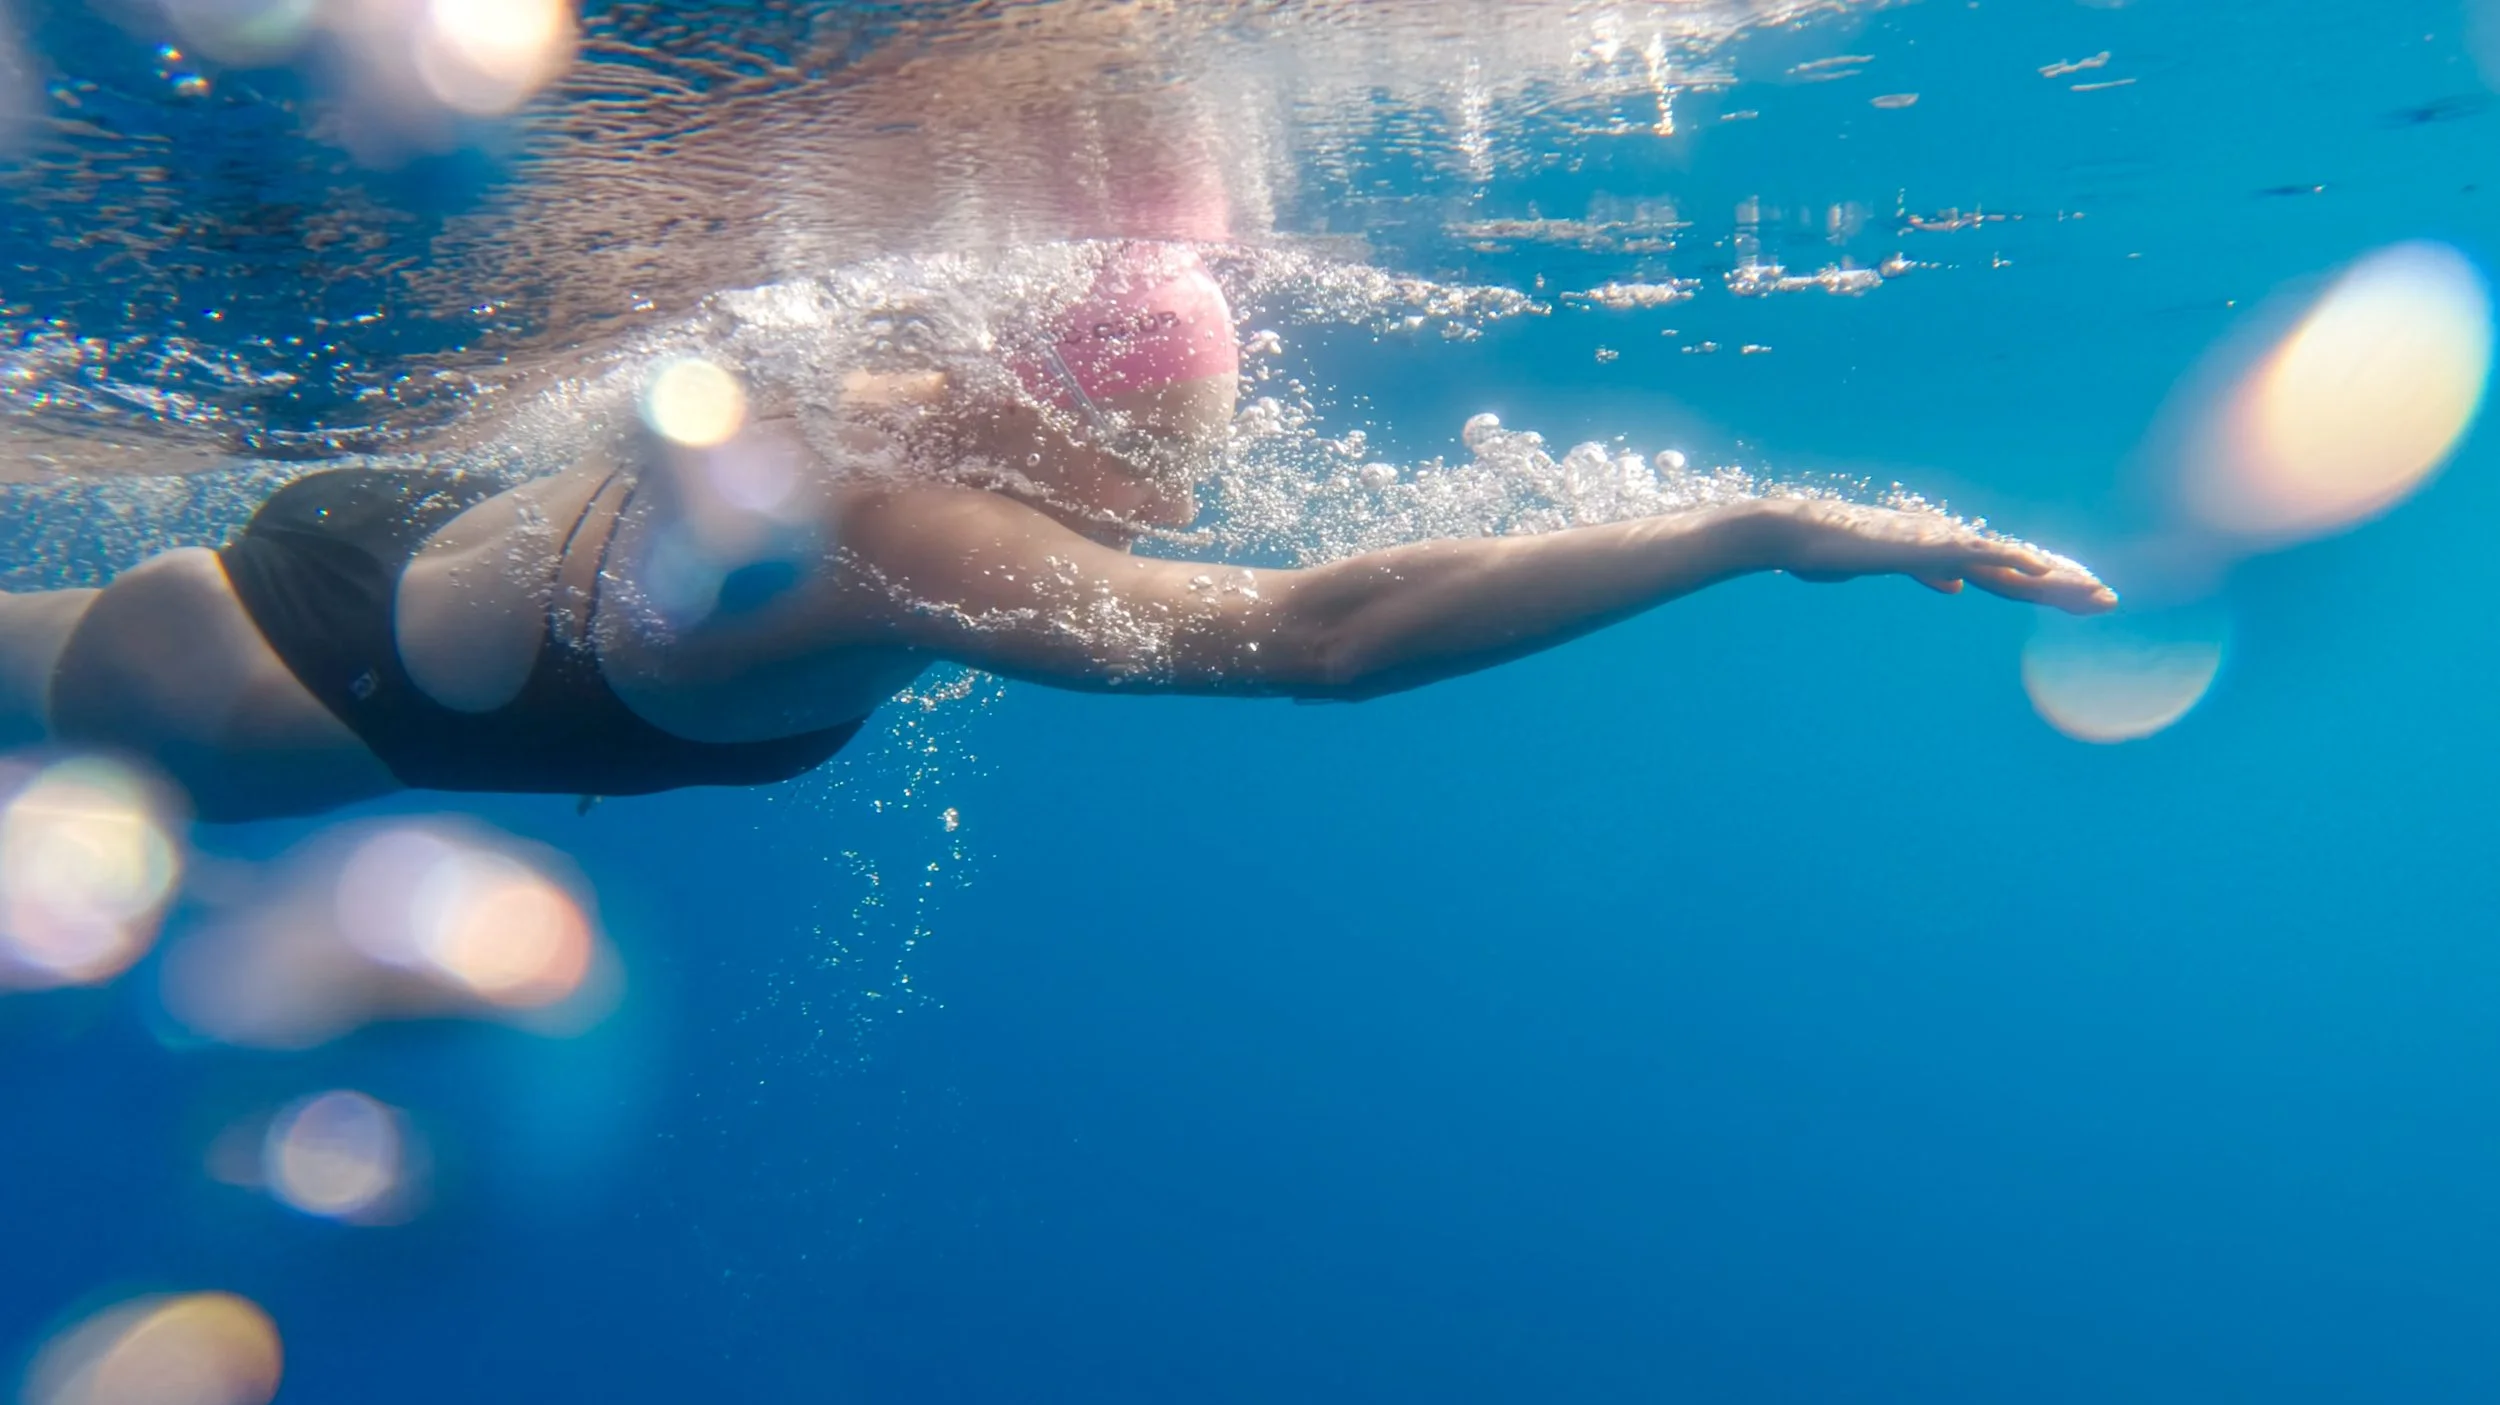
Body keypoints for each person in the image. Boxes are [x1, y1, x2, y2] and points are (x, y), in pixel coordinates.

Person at [0, 245, 2114, 823]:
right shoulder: (907, 528)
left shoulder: (915, 403)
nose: (1189, 494)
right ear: (1069, 424)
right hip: (264, 676)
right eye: (1165, 451)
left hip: (408, 546)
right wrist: (1743, 528)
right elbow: (1325, 635)